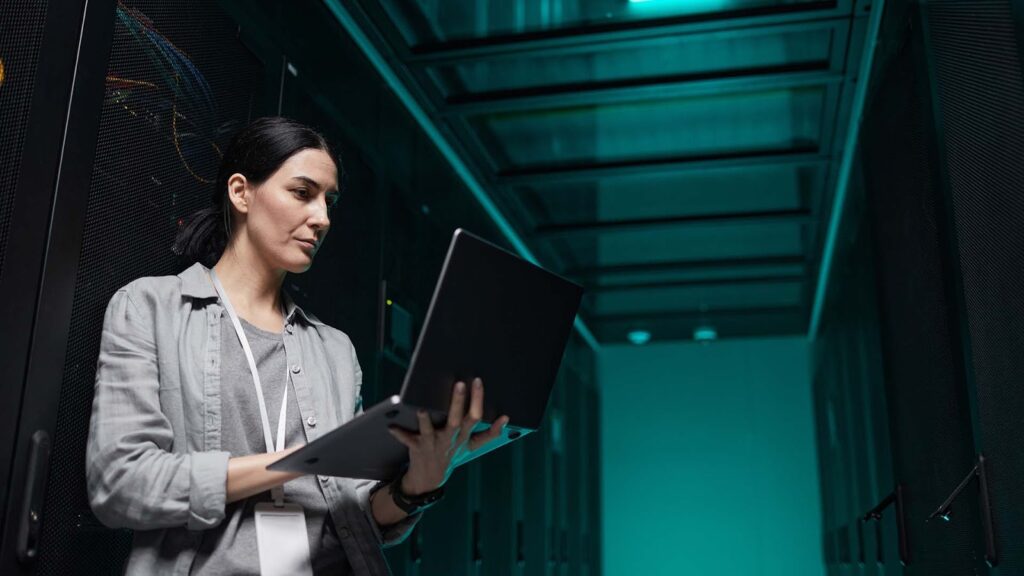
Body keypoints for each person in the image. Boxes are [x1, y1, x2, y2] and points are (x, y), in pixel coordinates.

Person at [85, 116, 508, 575]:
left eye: (330, 201)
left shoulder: (335, 351)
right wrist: (294, 465)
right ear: (241, 192)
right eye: (303, 193)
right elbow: (119, 483)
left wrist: (416, 486)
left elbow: (349, 515)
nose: (322, 218)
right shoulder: (151, 308)